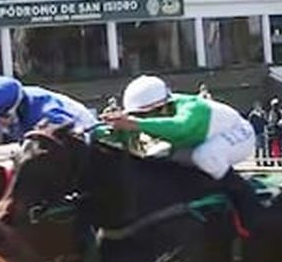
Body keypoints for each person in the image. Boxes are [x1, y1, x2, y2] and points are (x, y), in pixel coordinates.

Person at [101, 74, 260, 228]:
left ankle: (243, 195)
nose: (144, 118)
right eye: (138, 115)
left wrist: (136, 123)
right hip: (202, 140)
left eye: (146, 114)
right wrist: (108, 130)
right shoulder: (157, 109)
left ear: (163, 106)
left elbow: (179, 128)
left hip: (240, 135)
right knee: (158, 156)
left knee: (205, 156)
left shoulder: (192, 107)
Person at [0, 75, 97, 148]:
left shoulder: (46, 113)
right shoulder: (1, 110)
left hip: (84, 132)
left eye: (3, 116)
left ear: (17, 107)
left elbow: (68, 139)